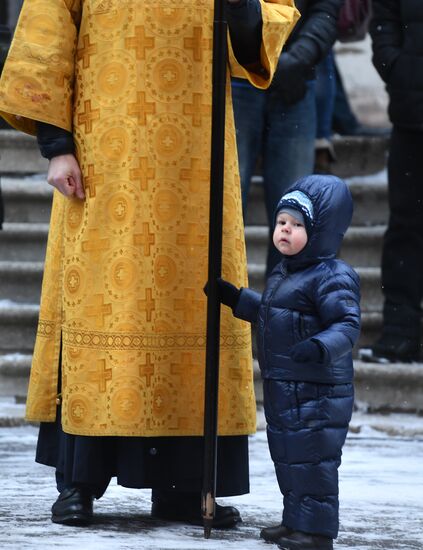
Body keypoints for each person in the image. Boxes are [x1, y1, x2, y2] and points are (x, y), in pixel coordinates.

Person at [0, 0, 299, 526]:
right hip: (103, 153)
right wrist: (56, 144)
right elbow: (46, 27)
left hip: (194, 156)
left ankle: (186, 485)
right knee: (101, 307)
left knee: (190, 309)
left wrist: (243, 9)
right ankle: (80, 480)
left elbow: (267, 22)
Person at [211, 174, 361, 549]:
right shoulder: (286, 273)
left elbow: (347, 324)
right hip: (285, 385)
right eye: (281, 223)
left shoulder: (332, 276)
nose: (285, 231)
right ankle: (295, 521)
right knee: (290, 459)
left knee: (314, 464)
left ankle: (316, 532)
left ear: (321, 231)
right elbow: (274, 313)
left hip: (319, 390)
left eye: (296, 225)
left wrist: (321, 347)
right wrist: (237, 299)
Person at [231, 0, 344, 276]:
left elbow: (326, 10)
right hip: (237, 74)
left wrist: (297, 58)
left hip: (294, 78)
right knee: (226, 205)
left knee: (295, 216)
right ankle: (220, 308)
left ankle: (281, 310)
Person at [359, 0, 423, 363]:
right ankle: (400, 332)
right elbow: (383, 22)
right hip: (412, 118)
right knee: (405, 229)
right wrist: (399, 69)